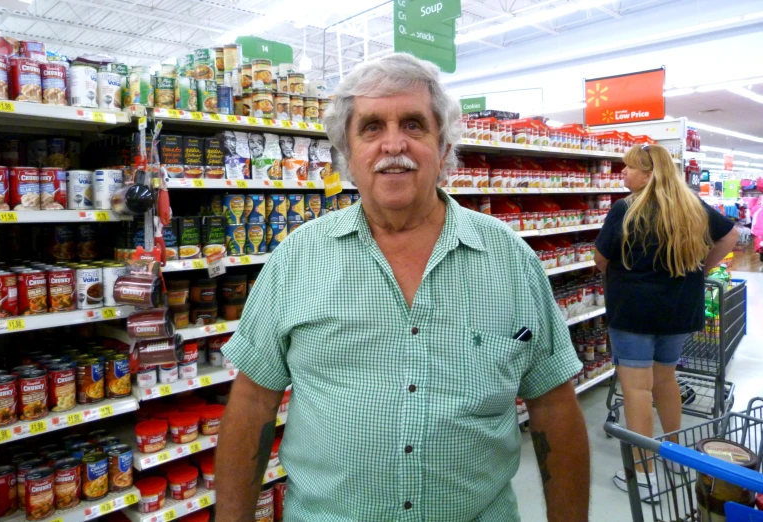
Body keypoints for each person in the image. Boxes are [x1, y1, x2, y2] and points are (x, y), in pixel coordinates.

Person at [217, 53, 590, 522]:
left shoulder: (511, 260)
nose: (394, 144)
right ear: (347, 153)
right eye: (371, 128)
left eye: (413, 125)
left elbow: (553, 403)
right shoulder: (297, 259)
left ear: (444, 147)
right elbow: (253, 402)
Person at [594, 143, 738, 496]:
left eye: (628, 168)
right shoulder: (691, 205)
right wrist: (700, 269)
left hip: (633, 310)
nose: (622, 174)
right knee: (666, 381)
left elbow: (601, 258)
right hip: (678, 308)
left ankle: (643, 475)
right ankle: (674, 457)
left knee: (637, 389)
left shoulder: (625, 209)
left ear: (648, 174)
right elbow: (730, 235)